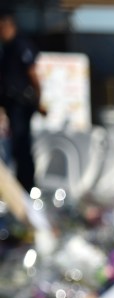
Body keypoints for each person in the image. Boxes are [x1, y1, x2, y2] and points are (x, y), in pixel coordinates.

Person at [0, 12, 45, 194]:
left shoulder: (20, 45)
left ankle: (27, 186)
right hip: (11, 104)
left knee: (22, 144)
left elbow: (33, 75)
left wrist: (39, 100)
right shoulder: (6, 48)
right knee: (17, 147)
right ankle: (21, 186)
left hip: (21, 103)